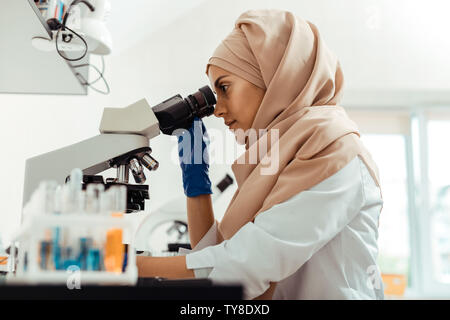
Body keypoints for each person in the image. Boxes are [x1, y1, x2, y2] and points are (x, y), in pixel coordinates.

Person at [136, 9, 384, 300]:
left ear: (275, 77)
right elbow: (214, 258)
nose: (217, 109)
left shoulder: (335, 150)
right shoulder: (278, 155)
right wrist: (196, 182)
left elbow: (245, 267)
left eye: (225, 88)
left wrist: (125, 266)